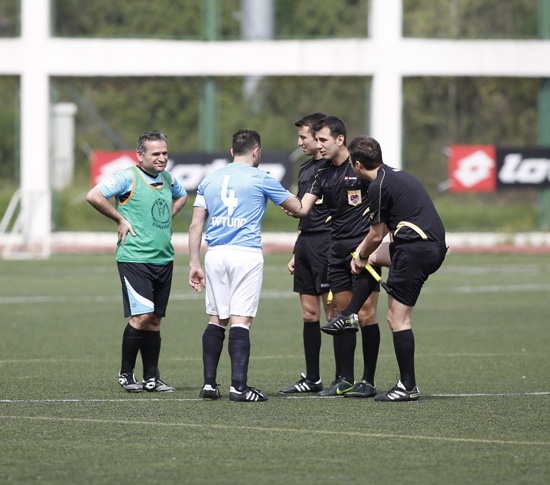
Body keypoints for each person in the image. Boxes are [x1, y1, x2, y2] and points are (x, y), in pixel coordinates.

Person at [188, 129, 302, 402]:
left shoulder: (210, 179)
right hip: (245, 254)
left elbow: (195, 226)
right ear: (256, 151)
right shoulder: (262, 177)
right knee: (241, 320)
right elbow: (298, 207)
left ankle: (209, 385)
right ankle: (239, 387)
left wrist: (194, 263)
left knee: (216, 319)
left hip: (215, 254)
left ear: (232, 152)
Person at [340, 135, 447, 401]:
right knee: (373, 258)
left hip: (416, 250)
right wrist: (363, 255)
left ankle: (407, 387)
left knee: (397, 319)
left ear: (357, 164)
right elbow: (385, 230)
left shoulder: (378, 186)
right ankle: (350, 313)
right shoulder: (395, 175)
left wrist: (359, 255)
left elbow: (376, 234)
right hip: (424, 246)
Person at [86, 130, 188, 393]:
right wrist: (120, 219)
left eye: (165, 153)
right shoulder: (127, 177)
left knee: (154, 319)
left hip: (164, 258)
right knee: (142, 315)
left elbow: (182, 196)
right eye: (156, 153)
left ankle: (151, 378)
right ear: (140, 155)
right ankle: (126, 374)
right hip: (134, 258)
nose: (162, 158)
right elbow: (94, 196)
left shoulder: (168, 179)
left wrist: (167, 217)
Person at [289, 116, 381, 398]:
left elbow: (383, 199)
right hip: (336, 250)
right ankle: (345, 380)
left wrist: (370, 248)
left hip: (362, 251)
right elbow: (303, 208)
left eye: (323, 140)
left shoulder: (360, 167)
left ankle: (368, 381)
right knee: (343, 317)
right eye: (316, 140)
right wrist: (279, 197)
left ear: (340, 139)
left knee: (365, 315)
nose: (319, 145)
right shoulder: (322, 173)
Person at [279, 112, 332, 395]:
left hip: (328, 245)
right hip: (306, 246)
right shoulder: (305, 169)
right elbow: (304, 214)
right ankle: (313, 379)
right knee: (310, 314)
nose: (300, 142)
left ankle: (343, 378)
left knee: (333, 313)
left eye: (304, 137)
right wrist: (295, 251)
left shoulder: (336, 168)